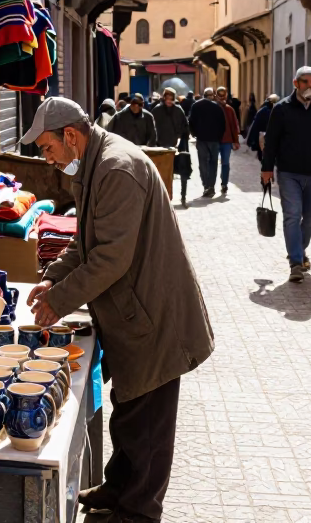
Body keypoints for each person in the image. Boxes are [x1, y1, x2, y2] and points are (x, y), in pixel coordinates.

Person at [20, 97, 214, 523]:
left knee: (148, 420)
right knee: (129, 406)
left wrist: (58, 300)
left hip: (153, 313)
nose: (48, 160)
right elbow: (83, 243)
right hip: (133, 311)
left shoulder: (116, 169)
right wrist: (52, 279)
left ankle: (138, 511)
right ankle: (118, 487)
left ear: (70, 136)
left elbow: (109, 258)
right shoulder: (92, 167)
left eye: (49, 149)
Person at [260, 67, 311, 283]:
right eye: (305, 82)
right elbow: (272, 142)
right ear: (295, 83)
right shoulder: (281, 108)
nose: (309, 86)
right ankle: (296, 262)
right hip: (289, 172)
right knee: (292, 215)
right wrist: (267, 168)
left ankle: (298, 249)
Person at [153, 88, 192, 205]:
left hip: (177, 146)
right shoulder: (157, 110)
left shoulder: (178, 110)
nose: (169, 101)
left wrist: (181, 137)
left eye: (171, 98)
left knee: (183, 170)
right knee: (161, 174)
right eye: (167, 98)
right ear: (164, 98)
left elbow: (185, 126)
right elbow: (151, 126)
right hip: (160, 147)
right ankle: (161, 198)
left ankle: (183, 196)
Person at [188, 88, 226, 198]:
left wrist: (194, 133)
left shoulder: (196, 106)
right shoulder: (217, 107)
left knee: (202, 162)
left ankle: (206, 185)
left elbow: (191, 121)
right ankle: (211, 186)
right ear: (212, 96)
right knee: (213, 163)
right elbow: (223, 124)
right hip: (214, 139)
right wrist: (219, 136)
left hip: (202, 138)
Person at [215, 87, 242, 195]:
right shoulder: (213, 108)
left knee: (225, 163)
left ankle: (224, 184)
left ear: (226, 96)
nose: (222, 98)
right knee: (212, 163)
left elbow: (234, 126)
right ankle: (210, 184)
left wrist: (236, 141)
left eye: (223, 95)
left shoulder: (230, 109)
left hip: (227, 141)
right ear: (216, 95)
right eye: (219, 95)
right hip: (214, 141)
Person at [247, 94, 278, 161]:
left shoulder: (262, 111)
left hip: (264, 137)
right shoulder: (277, 111)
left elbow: (255, 126)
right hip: (267, 138)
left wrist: (251, 141)